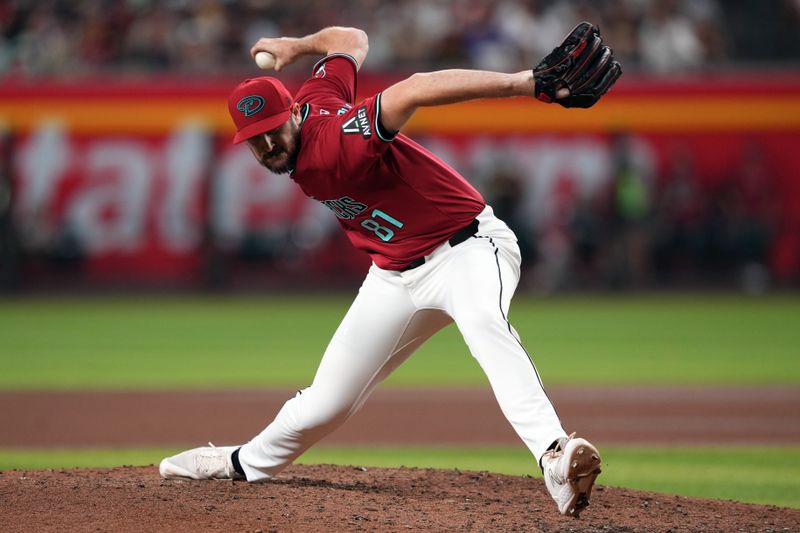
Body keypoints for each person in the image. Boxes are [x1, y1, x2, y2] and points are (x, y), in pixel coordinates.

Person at [160, 25, 619, 518]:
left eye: (274, 127)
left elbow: (415, 88)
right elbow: (352, 39)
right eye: (256, 139)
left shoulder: (339, 142)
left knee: (484, 323)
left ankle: (555, 454)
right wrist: (298, 47)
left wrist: (524, 84)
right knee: (326, 402)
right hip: (394, 273)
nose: (269, 143)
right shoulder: (315, 95)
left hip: (466, 248)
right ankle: (242, 462)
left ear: (293, 112)